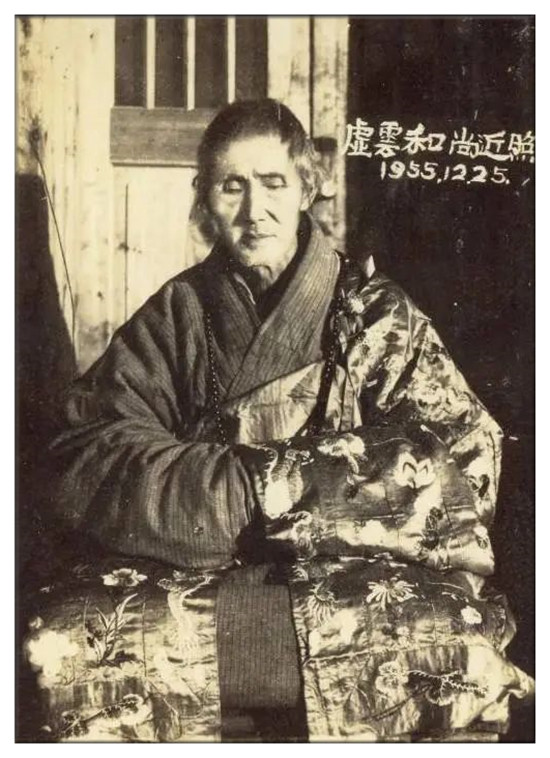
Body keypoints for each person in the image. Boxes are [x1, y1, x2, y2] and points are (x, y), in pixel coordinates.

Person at [30, 99, 532, 742]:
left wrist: (286, 498)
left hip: (350, 572)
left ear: (306, 188)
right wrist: (232, 497)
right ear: (204, 198)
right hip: (203, 564)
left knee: (450, 637)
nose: (254, 210)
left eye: (273, 183)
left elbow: (460, 456)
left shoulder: (376, 314)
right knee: (66, 639)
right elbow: (88, 446)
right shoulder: (179, 313)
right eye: (231, 186)